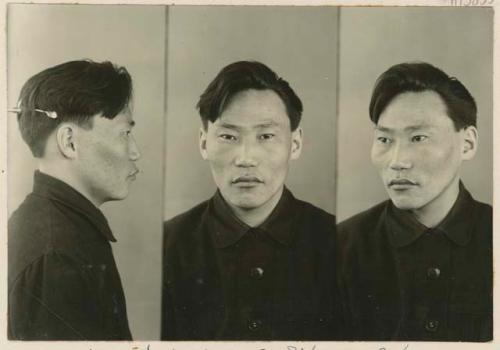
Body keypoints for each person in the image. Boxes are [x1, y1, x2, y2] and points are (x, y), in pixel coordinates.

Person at [161, 61, 339, 340]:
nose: (246, 158)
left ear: (295, 144)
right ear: (204, 143)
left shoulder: (338, 242)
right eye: (229, 136)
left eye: (266, 136)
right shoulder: (167, 246)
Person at [337, 62, 492, 341]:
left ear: (467, 143)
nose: (398, 161)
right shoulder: (340, 247)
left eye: (418, 138)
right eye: (384, 139)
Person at [8, 60, 141, 340]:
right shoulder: (59, 255)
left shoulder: (46, 224)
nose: (135, 152)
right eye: (125, 133)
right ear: (69, 141)